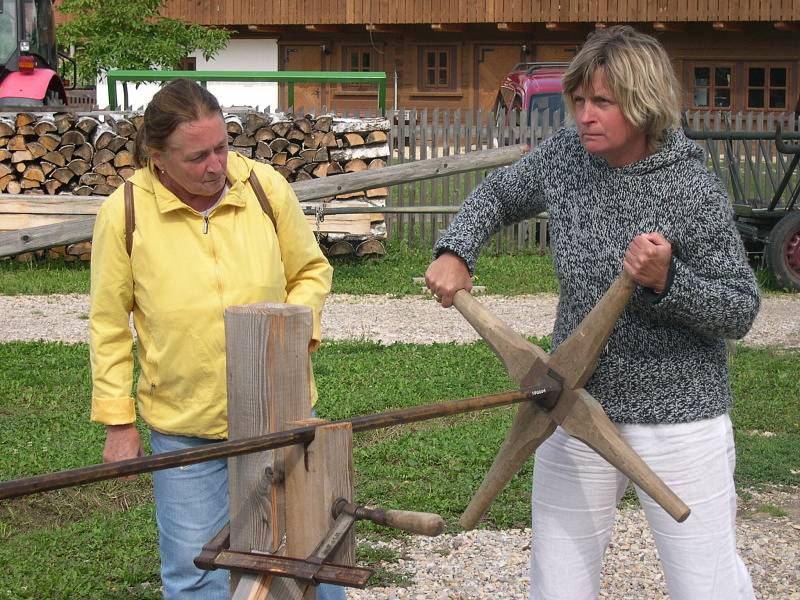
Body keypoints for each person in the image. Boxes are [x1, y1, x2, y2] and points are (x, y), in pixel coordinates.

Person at [426, 26, 759, 600]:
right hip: (569, 405)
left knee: (707, 586)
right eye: (579, 99)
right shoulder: (566, 157)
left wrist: (668, 281)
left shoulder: (692, 189)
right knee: (557, 585)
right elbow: (500, 193)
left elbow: (739, 309)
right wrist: (457, 248)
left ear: (642, 103)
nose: (584, 115)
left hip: (679, 421)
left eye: (601, 102)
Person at [89, 79, 343, 599]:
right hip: (187, 428)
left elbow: (311, 271)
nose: (216, 165)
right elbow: (110, 322)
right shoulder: (125, 212)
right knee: (196, 574)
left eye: (223, 146)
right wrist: (118, 420)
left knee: (314, 563)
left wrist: (291, 334)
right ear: (157, 157)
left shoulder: (265, 189)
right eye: (197, 155)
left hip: (281, 413)